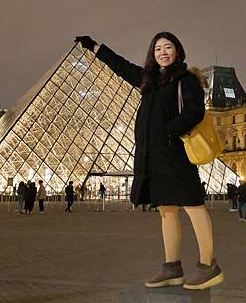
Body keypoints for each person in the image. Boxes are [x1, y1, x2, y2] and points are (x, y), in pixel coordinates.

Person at [76, 33, 224, 290]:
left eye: (168, 47)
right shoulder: (150, 80)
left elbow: (195, 112)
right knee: (166, 211)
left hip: (176, 155)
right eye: (158, 49)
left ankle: (208, 265)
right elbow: (122, 67)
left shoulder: (186, 79)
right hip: (153, 157)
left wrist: (168, 131)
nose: (163, 52)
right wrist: (95, 47)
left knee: (193, 207)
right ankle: (172, 267)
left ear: (178, 51)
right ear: (152, 54)